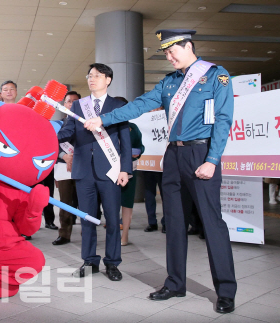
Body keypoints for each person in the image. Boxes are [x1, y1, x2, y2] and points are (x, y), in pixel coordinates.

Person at [85, 29, 237, 314]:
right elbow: (140, 105)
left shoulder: (216, 75)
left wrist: (213, 159)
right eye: (165, 53)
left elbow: (224, 119)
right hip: (174, 155)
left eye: (171, 51)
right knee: (175, 224)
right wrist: (103, 119)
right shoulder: (169, 83)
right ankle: (175, 283)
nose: (168, 57)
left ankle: (226, 291)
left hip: (201, 153)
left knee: (212, 223)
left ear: (188, 45)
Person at [58, 63, 132, 282]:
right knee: (87, 218)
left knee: (111, 218)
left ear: (108, 80)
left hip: (110, 171)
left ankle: (112, 263)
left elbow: (124, 141)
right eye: (90, 75)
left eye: (97, 76)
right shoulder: (78, 106)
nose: (92, 79)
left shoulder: (118, 105)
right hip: (83, 171)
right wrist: (48, 137)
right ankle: (89, 260)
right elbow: (68, 131)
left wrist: (125, 169)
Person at [53, 91, 80, 245]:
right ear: (64, 105)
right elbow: (52, 144)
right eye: (69, 101)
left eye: (75, 101)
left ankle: (87, 232)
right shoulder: (58, 124)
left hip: (82, 166)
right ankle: (64, 234)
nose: (72, 104)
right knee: (65, 201)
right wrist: (64, 156)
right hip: (63, 167)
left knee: (84, 201)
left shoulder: (87, 122)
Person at [119, 117, 144, 246]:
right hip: (111, 170)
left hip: (130, 169)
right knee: (112, 202)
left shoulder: (133, 128)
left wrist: (138, 152)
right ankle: (113, 233)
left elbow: (140, 146)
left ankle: (125, 234)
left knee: (127, 202)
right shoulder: (106, 127)